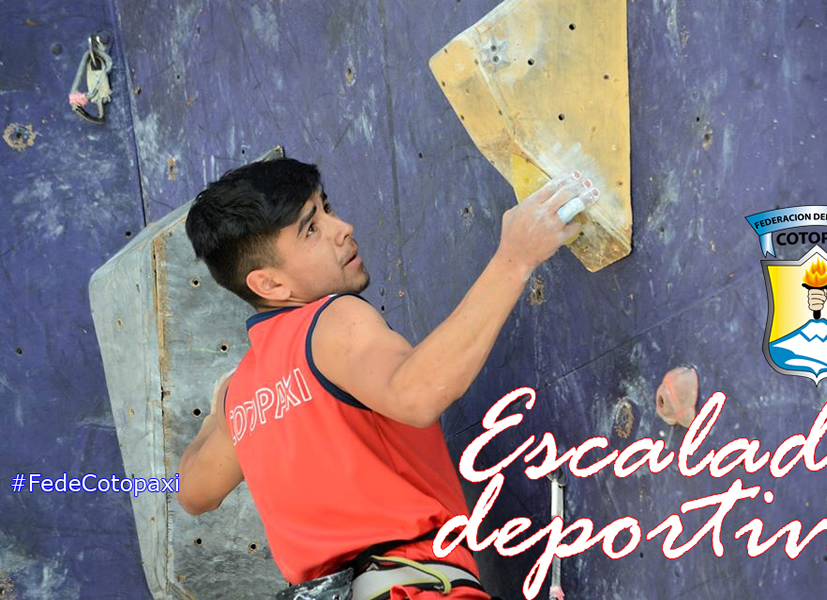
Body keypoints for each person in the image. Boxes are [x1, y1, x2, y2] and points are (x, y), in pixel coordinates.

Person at [175, 158, 597, 599]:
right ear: (270, 284)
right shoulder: (330, 320)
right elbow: (415, 394)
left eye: (326, 208)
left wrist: (221, 411)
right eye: (311, 229)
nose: (342, 228)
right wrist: (515, 258)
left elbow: (189, 492)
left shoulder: (241, 394)